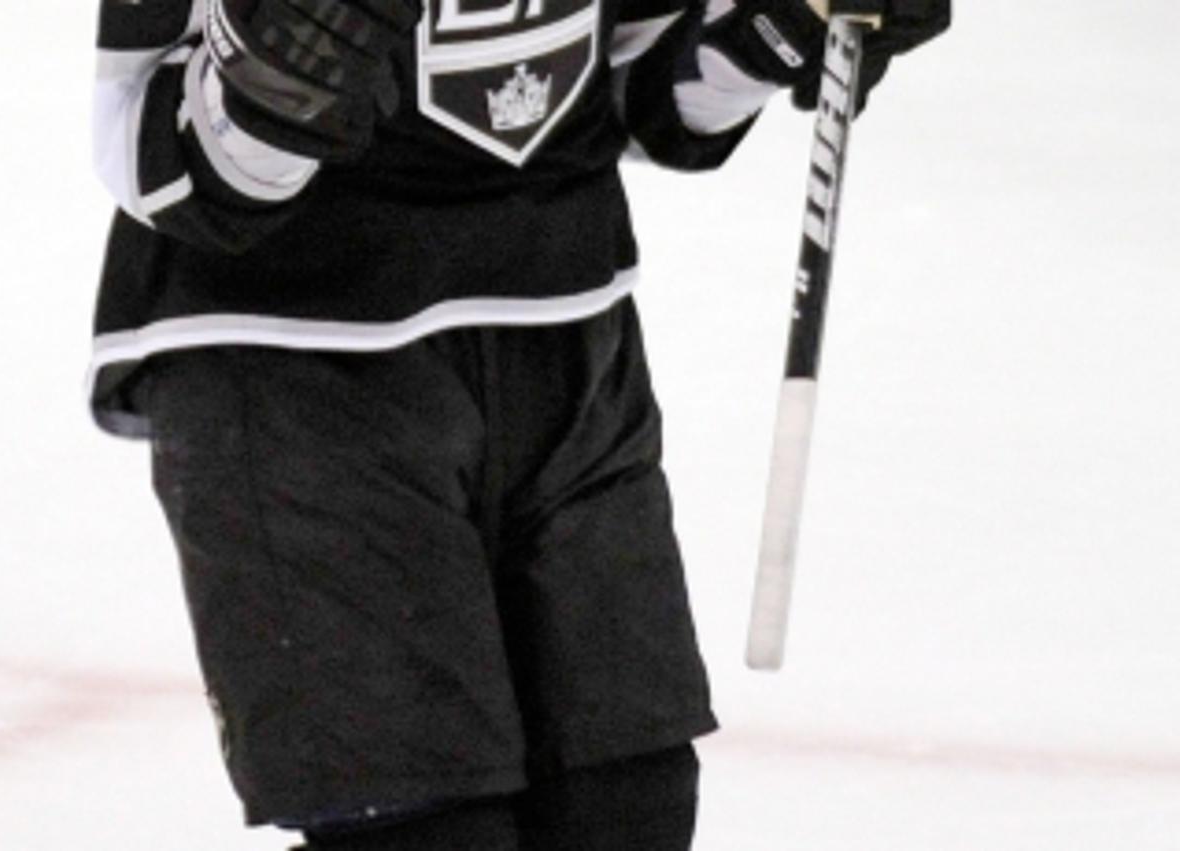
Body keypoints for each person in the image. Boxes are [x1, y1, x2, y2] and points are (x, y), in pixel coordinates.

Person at [88, 0, 949, 847]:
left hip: (567, 334)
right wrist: (285, 75)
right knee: (424, 826)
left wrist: (780, 22)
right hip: (294, 367)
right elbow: (144, 150)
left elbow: (641, 89)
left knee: (625, 803)